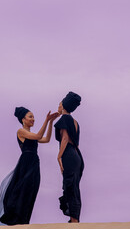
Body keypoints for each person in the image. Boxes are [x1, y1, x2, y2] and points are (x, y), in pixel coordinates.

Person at [0, 107, 59, 225]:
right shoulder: (21, 131)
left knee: (30, 192)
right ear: (23, 119)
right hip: (26, 163)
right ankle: (15, 221)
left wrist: (50, 122)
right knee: (21, 191)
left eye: (33, 116)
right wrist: (46, 119)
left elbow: (47, 139)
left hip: (34, 163)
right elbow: (39, 136)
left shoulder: (32, 134)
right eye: (30, 116)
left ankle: (24, 222)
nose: (33, 119)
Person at [54, 91, 84, 223]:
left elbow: (65, 138)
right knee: (74, 187)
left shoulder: (64, 119)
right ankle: (75, 219)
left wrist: (59, 157)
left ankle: (74, 221)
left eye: (59, 104)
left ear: (64, 105)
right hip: (77, 155)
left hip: (68, 154)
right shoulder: (76, 122)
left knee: (70, 187)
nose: (58, 106)